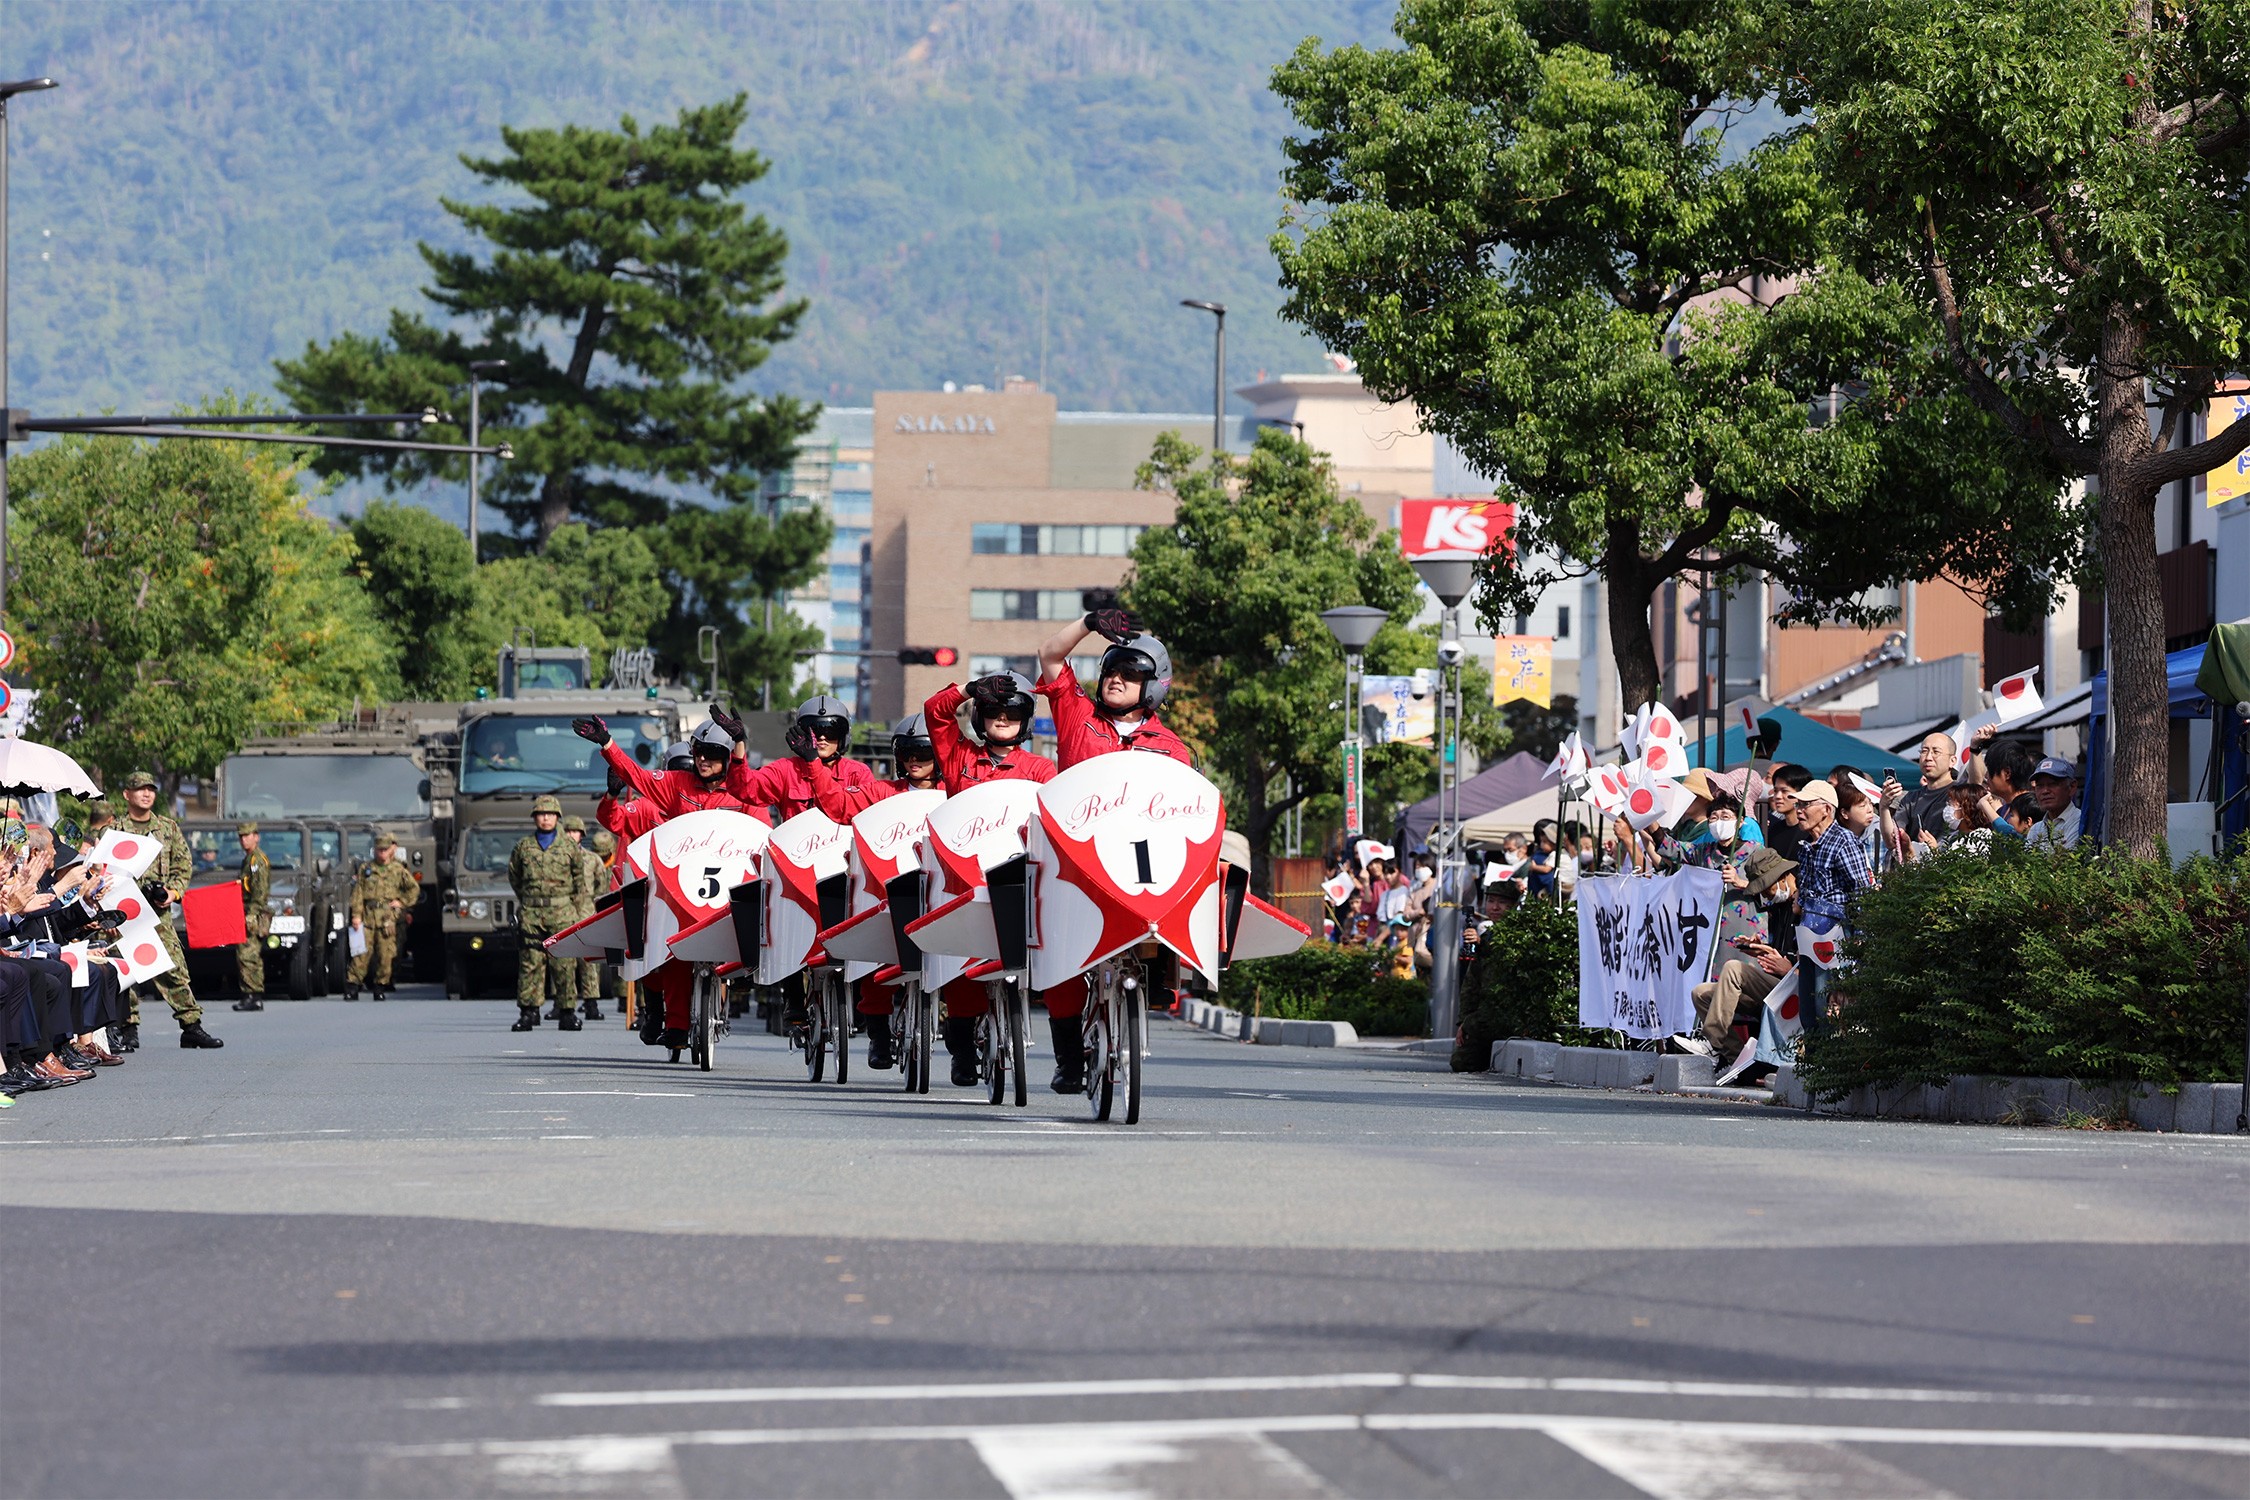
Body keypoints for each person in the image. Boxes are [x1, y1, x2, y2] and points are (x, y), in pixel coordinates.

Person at [114, 772, 220, 1050]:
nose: (146, 794)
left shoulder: (168, 828)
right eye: (139, 789)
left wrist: (173, 892)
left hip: (158, 914)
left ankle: (191, 1026)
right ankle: (127, 1028)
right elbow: (104, 872)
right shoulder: (114, 831)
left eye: (150, 789)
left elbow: (183, 865)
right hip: (126, 913)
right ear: (127, 794)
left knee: (173, 969)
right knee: (126, 971)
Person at [1684, 847, 1799, 1068]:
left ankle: (1712, 1040)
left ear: (1783, 877)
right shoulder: (1780, 907)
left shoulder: (1803, 905)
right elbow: (1779, 952)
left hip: (1794, 986)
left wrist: (1788, 967)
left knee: (1734, 968)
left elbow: (1812, 958)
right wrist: (1759, 948)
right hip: (1776, 986)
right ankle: (1738, 1061)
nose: (1765, 895)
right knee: (1701, 993)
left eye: (1766, 888)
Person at [1033, 607, 1193, 766]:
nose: (1116, 678)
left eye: (1131, 673)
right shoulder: (1079, 716)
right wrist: (1089, 622)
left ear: (1154, 684)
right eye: (1110, 670)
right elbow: (1049, 655)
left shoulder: (1170, 748)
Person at [579, 713, 767, 822]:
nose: (702, 758)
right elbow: (636, 775)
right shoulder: (677, 783)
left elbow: (762, 838)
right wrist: (607, 743)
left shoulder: (747, 795)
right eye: (698, 751)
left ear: (729, 757)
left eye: (711, 753)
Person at [507, 795, 589, 1033]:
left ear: (557, 817)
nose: (546, 818)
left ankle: (567, 1012)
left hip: (562, 911)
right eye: (541, 814)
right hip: (532, 912)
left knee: (564, 964)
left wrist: (569, 905)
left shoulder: (569, 847)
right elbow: (515, 876)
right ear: (535, 818)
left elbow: (578, 879)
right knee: (530, 964)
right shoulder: (523, 847)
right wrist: (528, 900)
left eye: (550, 814)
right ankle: (529, 1011)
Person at [925, 674, 1057, 793]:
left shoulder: (1039, 769)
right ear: (980, 716)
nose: (1002, 718)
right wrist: (970, 689)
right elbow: (934, 711)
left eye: (1013, 712)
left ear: (1025, 719)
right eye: (992, 710)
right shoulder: (960, 757)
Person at [346, 833, 419, 1001]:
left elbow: (413, 889)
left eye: (385, 850)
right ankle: (352, 986)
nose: (382, 854)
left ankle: (380, 986)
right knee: (361, 953)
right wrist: (356, 916)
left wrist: (402, 902)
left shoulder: (398, 869)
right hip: (368, 916)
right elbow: (358, 894)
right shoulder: (366, 869)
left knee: (386, 954)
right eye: (379, 850)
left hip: (387, 918)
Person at [561, 816, 606, 1021]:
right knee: (563, 960)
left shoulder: (593, 860)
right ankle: (563, 1002)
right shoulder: (557, 858)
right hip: (562, 910)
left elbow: (601, 888)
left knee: (588, 960)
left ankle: (591, 1002)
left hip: (586, 911)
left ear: (581, 835)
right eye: (568, 831)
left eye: (575, 831)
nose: (571, 835)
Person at [231, 821, 270, 1013]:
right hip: (244, 911)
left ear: (256, 836)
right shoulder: (248, 860)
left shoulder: (257, 861)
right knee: (244, 954)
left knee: (249, 954)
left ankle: (253, 995)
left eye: (248, 836)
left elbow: (260, 892)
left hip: (252, 913)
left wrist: (253, 914)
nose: (244, 840)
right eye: (241, 837)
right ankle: (249, 994)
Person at [1898, 731, 1961, 844]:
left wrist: (1975, 748)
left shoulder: (1961, 794)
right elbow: (1895, 837)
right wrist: (1884, 806)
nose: (1928, 757)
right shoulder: (1910, 798)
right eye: (1924, 751)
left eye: (1936, 752)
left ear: (1952, 761)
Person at [2022, 756, 2083, 850]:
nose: (2045, 791)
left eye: (2053, 784)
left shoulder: (2080, 823)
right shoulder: (2036, 830)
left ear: (2072, 787)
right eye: (2040, 786)